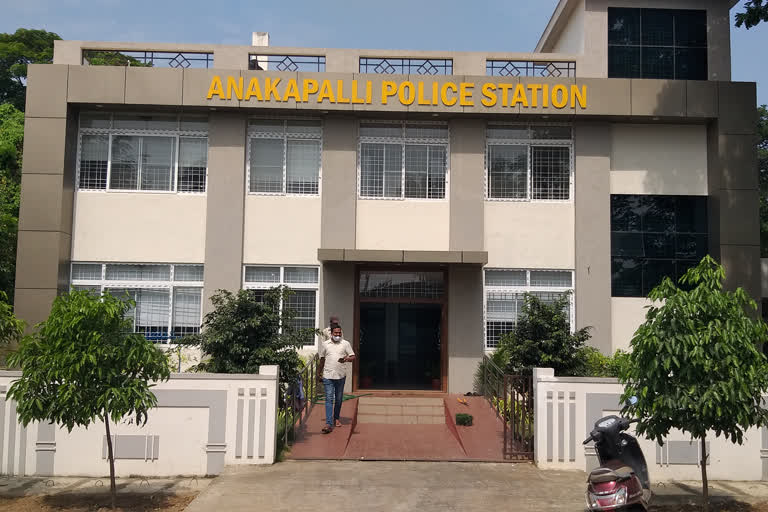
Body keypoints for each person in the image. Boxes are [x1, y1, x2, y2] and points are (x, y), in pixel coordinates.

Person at [317, 323, 355, 434]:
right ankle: (329, 423)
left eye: (339, 333)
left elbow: (353, 356)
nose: (337, 335)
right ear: (331, 333)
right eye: (335, 333)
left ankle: (336, 418)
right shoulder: (325, 345)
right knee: (329, 398)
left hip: (340, 376)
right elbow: (322, 360)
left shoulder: (345, 344)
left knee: (338, 399)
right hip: (328, 376)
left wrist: (346, 358)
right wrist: (318, 373)